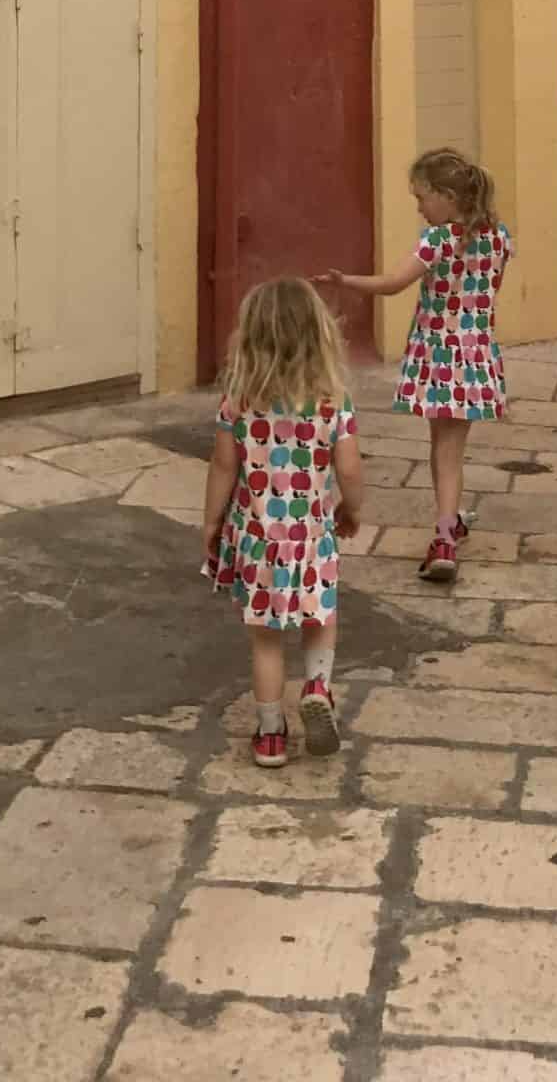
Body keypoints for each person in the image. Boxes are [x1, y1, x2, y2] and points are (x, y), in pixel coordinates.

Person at [319, 146, 511, 583]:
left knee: (441, 449)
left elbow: (393, 284)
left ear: (447, 196)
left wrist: (345, 281)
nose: (420, 208)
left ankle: (444, 538)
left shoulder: (437, 240)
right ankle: (451, 524)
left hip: (438, 356)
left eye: (422, 198)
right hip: (477, 355)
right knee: (453, 449)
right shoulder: (499, 238)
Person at [201, 277, 364, 769]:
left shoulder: (238, 400)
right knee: (320, 618)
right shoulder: (333, 402)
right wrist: (353, 508)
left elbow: (222, 466)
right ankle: (317, 686)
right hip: (311, 537)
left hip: (256, 540)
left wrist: (210, 523)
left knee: (266, 640)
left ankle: (271, 734)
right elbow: (349, 468)